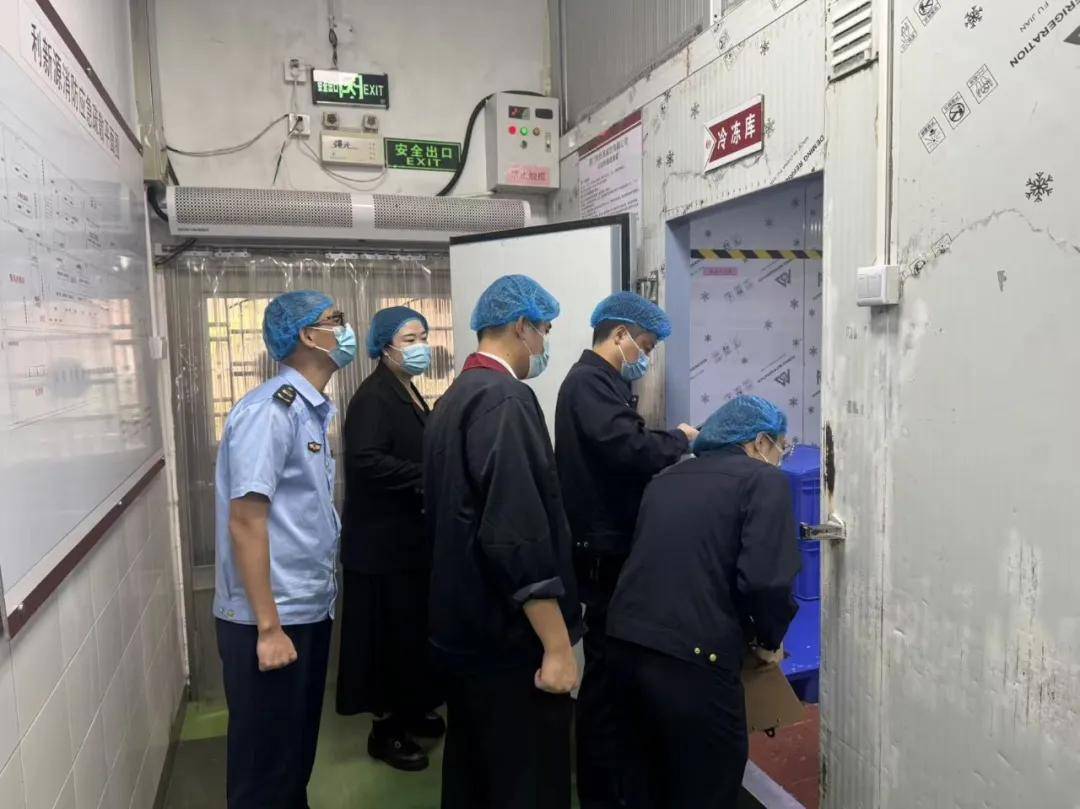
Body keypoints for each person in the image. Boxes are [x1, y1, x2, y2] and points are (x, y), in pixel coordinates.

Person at [424, 274, 582, 809]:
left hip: (465, 630)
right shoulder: (506, 399)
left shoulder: (454, 398)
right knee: (525, 782)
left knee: (474, 775)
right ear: (521, 326)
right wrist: (557, 646)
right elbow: (516, 534)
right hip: (508, 641)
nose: (544, 344)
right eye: (544, 331)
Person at [606, 395, 802, 809]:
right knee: (707, 786)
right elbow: (766, 580)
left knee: (646, 782)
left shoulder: (666, 478)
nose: (780, 456)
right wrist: (768, 640)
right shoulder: (763, 481)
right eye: (780, 446)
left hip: (625, 649)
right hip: (695, 663)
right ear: (759, 441)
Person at [553, 291, 698, 809]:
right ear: (619, 335)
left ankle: (616, 777)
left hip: (608, 544)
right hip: (601, 551)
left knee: (614, 671)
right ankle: (604, 789)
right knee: (607, 676)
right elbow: (627, 447)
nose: (647, 356)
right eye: (646, 345)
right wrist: (678, 440)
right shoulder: (588, 383)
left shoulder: (604, 384)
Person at [213, 290, 357, 809]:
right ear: (307, 335)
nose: (346, 329)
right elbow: (246, 522)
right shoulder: (271, 412)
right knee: (265, 768)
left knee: (292, 758)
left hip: (304, 607)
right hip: (270, 618)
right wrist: (269, 628)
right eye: (336, 320)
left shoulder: (308, 410)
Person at [336, 306, 444, 771]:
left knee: (408, 635)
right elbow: (366, 461)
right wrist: (427, 475)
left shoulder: (406, 389)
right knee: (383, 641)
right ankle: (385, 731)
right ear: (384, 348)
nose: (421, 347)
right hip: (379, 546)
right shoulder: (373, 397)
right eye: (410, 340)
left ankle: (411, 709)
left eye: (423, 336)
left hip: (406, 542)